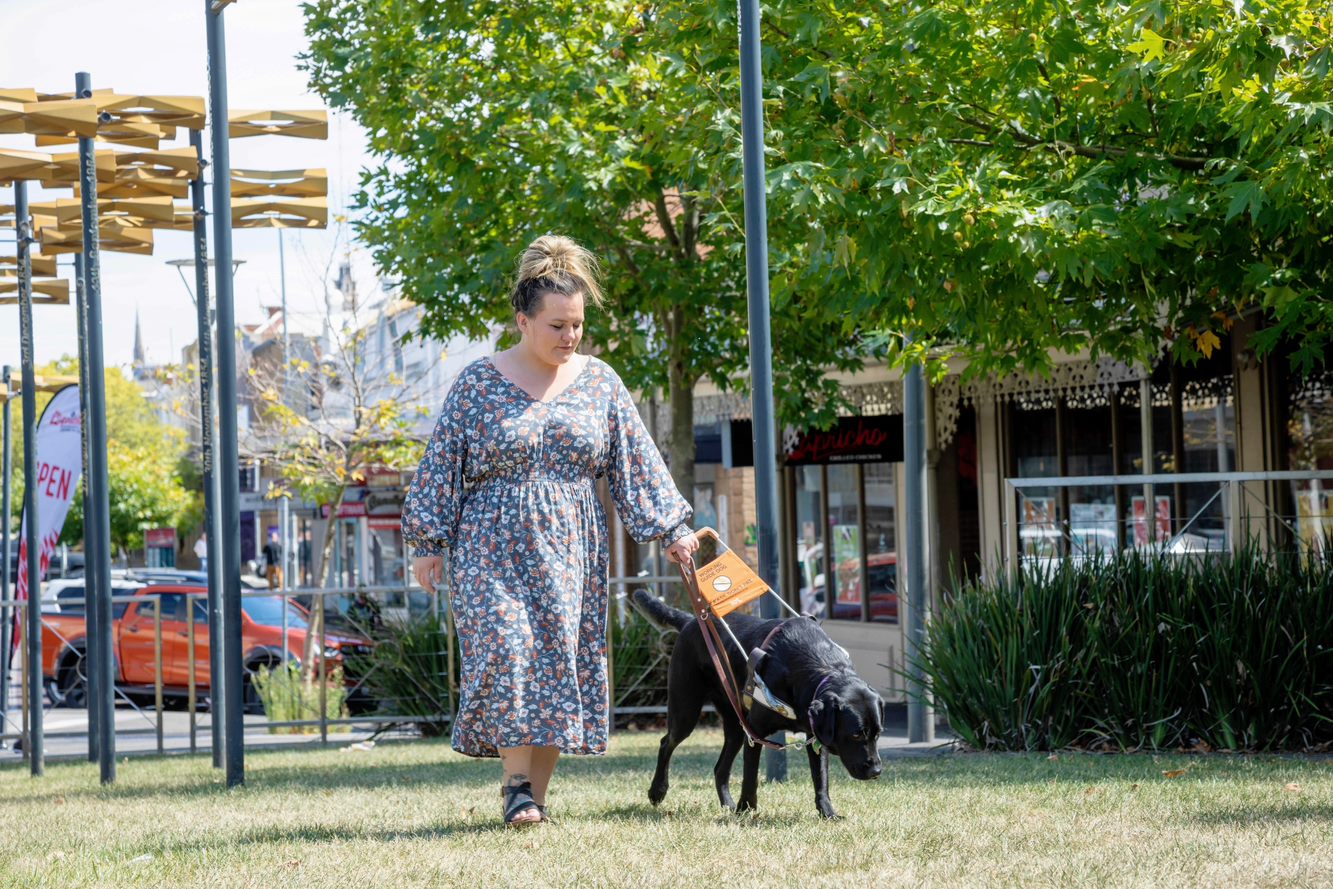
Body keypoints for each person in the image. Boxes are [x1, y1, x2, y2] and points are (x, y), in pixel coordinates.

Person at [403, 234, 699, 828]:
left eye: (578, 325)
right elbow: (441, 464)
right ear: (523, 320)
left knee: (559, 662)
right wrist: (428, 544)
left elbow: (634, 458)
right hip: (490, 541)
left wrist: (672, 526)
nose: (570, 337)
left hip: (571, 544)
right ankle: (515, 784)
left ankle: (530, 799)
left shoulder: (600, 383)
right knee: (509, 651)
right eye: (558, 326)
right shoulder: (477, 384)